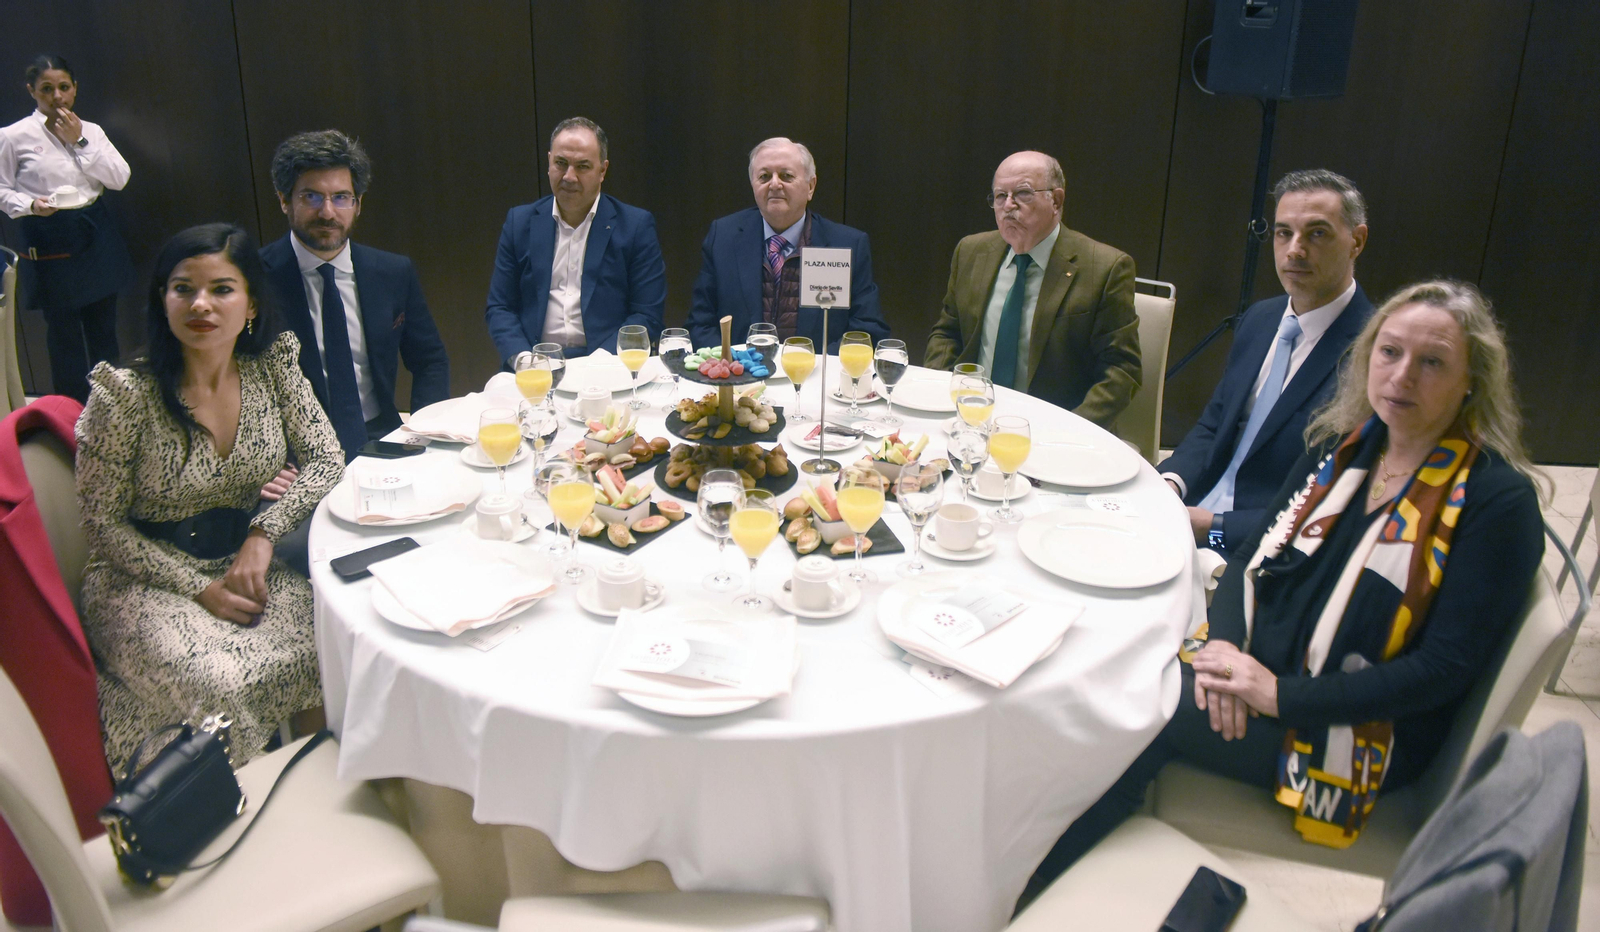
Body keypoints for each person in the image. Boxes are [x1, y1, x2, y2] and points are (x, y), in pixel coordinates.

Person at [1020, 280, 1544, 903]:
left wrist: (1278, 695)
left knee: (1130, 711)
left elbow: (1441, 671)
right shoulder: (1343, 446)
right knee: (1110, 666)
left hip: (1352, 732)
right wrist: (1225, 653)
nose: (1402, 376)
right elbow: (1248, 560)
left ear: (1471, 382)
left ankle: (1038, 892)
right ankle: (1074, 882)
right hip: (1257, 668)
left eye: (1432, 362)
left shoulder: (1494, 503)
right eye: (1389, 352)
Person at [75, 223, 345, 770]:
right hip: (142, 577)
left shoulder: (271, 366)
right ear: (163, 300)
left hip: (239, 560)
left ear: (249, 305)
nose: (201, 304)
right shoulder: (125, 394)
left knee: (336, 639)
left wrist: (263, 533)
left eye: (222, 288)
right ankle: (229, 818)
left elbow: (325, 459)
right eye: (183, 289)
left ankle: (315, 784)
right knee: (221, 683)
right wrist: (200, 588)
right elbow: (101, 526)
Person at [1162, 169, 1375, 552]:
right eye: (1283, 233)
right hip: (1193, 509)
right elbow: (1214, 424)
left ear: (1357, 241)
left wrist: (1211, 528)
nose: (1295, 249)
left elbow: (1336, 502)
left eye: (1317, 233)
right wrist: (1170, 483)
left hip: (1263, 545)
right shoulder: (1261, 318)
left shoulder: (1375, 355)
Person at [260, 129, 450, 461]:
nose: (328, 213)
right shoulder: (255, 278)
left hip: (383, 435)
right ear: (283, 200)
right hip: (293, 455)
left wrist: (423, 433)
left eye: (341, 197)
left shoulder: (392, 272)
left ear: (358, 204)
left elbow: (430, 360)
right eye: (311, 197)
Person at [924, 151, 1140, 429]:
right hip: (971, 419)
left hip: (1055, 428)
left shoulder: (1105, 268)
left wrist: (1072, 429)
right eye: (1000, 196)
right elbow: (947, 332)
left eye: (1022, 194)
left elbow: (1121, 370)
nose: (1008, 206)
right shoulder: (971, 251)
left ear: (1056, 200)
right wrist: (941, 395)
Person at [0, 54, 133, 404]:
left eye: (63, 87)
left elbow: (119, 178)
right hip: (48, 236)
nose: (57, 96)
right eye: (47, 89)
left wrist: (79, 141)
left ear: (74, 89)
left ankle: (113, 406)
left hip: (95, 232)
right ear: (32, 91)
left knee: (104, 329)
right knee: (63, 335)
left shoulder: (91, 131)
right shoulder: (12, 137)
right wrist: (29, 206)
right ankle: (71, 411)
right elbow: (0, 189)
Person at [484, 116, 666, 364]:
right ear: (549, 162)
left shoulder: (634, 226)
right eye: (561, 163)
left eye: (582, 166)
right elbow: (500, 307)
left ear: (602, 170)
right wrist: (525, 360)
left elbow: (647, 314)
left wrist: (596, 364)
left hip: (606, 365)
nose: (569, 176)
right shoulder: (520, 222)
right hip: (534, 363)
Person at [689, 137, 889, 351]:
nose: (774, 184)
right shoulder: (723, 238)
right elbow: (700, 325)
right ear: (753, 186)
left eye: (786, 176)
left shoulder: (847, 245)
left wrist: (812, 367)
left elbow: (867, 332)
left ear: (810, 186)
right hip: (741, 377)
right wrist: (732, 368)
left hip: (816, 377)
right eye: (764, 176)